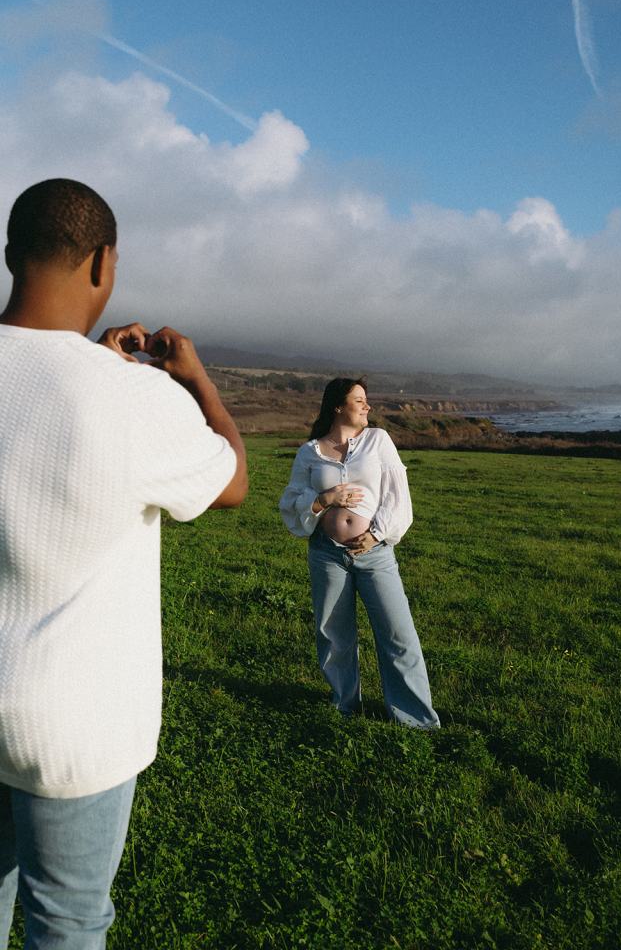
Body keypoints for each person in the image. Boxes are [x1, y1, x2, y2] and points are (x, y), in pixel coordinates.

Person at [0, 178, 247, 949]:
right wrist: (192, 379)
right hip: (71, 725)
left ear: (9, 256)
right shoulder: (130, 399)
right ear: (104, 264)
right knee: (67, 922)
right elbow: (232, 481)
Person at [279, 377, 439, 729]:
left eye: (366, 401)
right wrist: (324, 499)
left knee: (398, 633)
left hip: (374, 552)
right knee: (333, 635)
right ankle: (344, 707)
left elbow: (398, 495)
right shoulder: (310, 452)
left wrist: (377, 534)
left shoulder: (378, 440)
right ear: (338, 406)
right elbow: (291, 501)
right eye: (360, 400)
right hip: (326, 553)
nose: (368, 407)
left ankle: (416, 720)